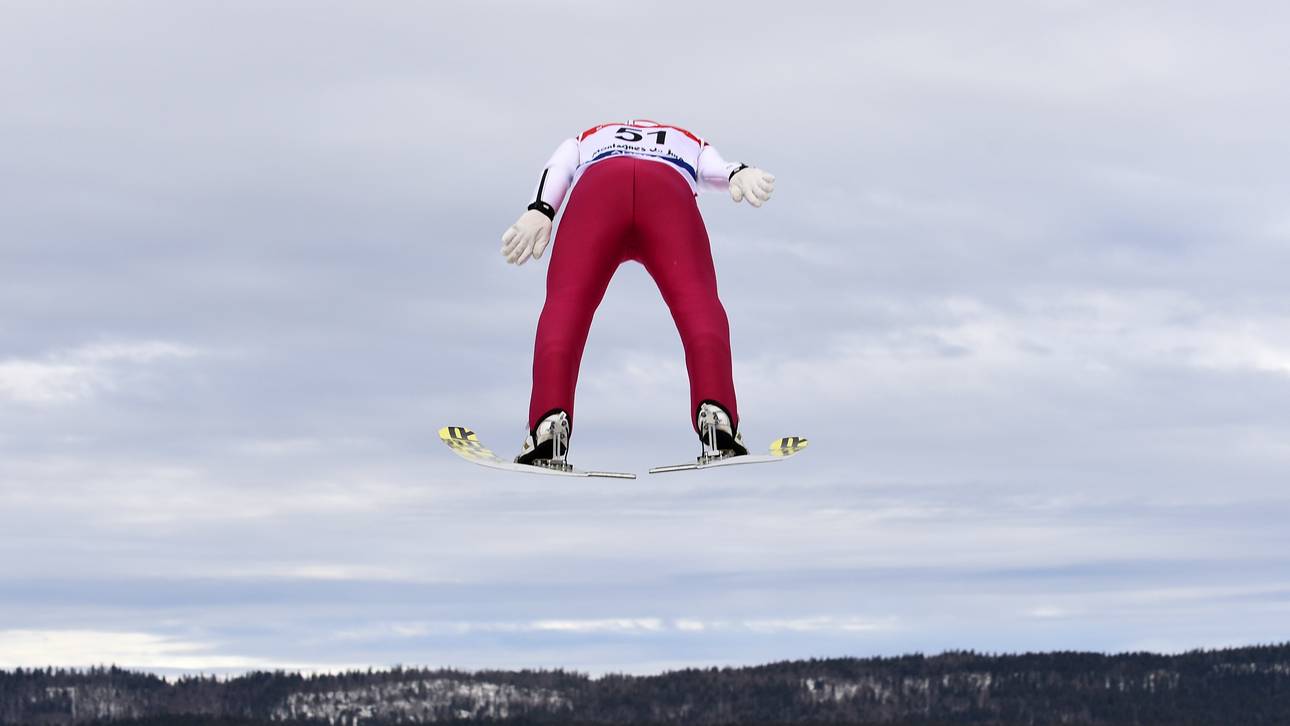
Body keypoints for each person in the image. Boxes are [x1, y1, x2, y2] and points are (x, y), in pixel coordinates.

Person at [500, 119, 775, 466]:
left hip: (598, 188)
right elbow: (717, 169)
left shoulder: (590, 135)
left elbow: (562, 163)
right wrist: (739, 172)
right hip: (667, 190)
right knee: (698, 302)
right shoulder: (688, 139)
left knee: (567, 304)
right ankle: (716, 415)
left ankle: (547, 424)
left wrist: (540, 208)